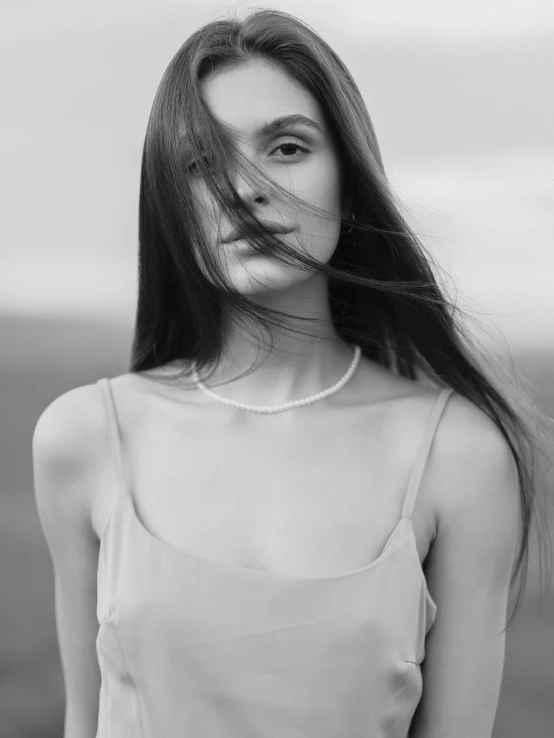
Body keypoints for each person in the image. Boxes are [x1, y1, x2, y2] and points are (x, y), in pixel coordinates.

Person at [32, 8, 552, 738]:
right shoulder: (85, 437)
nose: (244, 187)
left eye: (285, 146)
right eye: (201, 163)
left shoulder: (457, 459)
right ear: (170, 202)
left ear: (349, 173)